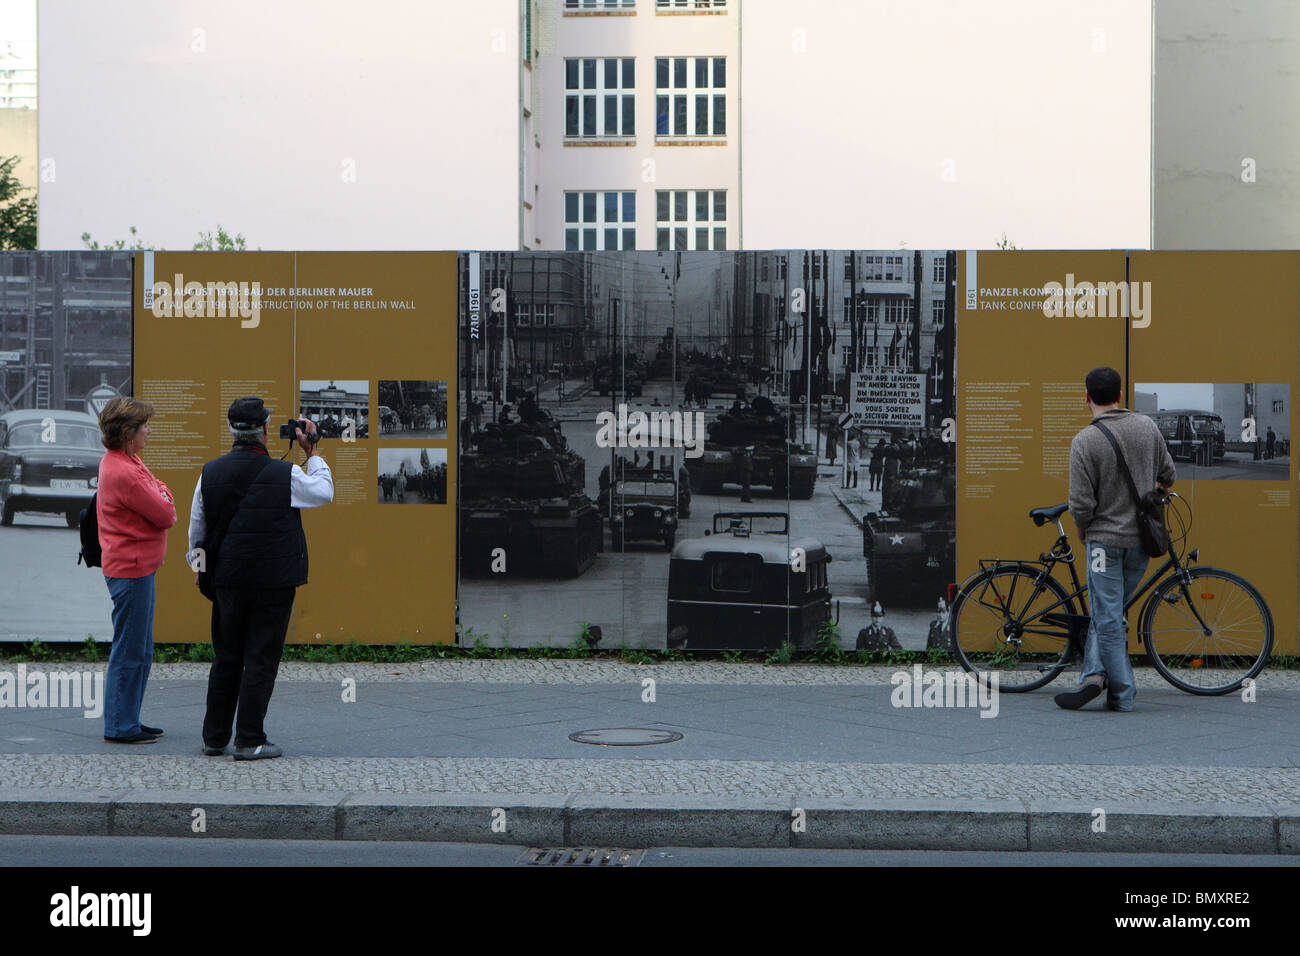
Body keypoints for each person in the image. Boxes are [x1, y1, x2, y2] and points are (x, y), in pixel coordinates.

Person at [188, 397, 334, 759]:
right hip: (273, 581)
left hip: (228, 580)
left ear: (231, 430)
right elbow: (323, 492)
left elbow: (197, 530)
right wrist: (312, 450)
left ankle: (214, 737)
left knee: (226, 657)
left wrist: (199, 568)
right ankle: (250, 739)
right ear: (267, 430)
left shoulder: (210, 472)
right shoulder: (285, 474)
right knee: (260, 658)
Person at [1057, 367, 1175, 713]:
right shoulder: (1147, 427)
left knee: (1107, 615)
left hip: (1103, 543)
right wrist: (1157, 490)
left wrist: (1082, 530)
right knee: (1112, 611)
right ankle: (1093, 677)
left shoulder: (1084, 441)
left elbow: (1081, 504)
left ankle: (1122, 693)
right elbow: (1168, 474)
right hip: (1141, 542)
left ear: (1087, 397)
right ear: (1121, 396)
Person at [96, 397, 178, 744]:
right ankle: (120, 724)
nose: (149, 429)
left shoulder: (127, 460)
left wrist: (161, 492)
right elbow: (166, 514)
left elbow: (161, 494)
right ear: (128, 432)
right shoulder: (126, 471)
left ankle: (128, 718)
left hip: (136, 568)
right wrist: (163, 494)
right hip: (131, 570)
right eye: (144, 424)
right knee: (130, 649)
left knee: (139, 648)